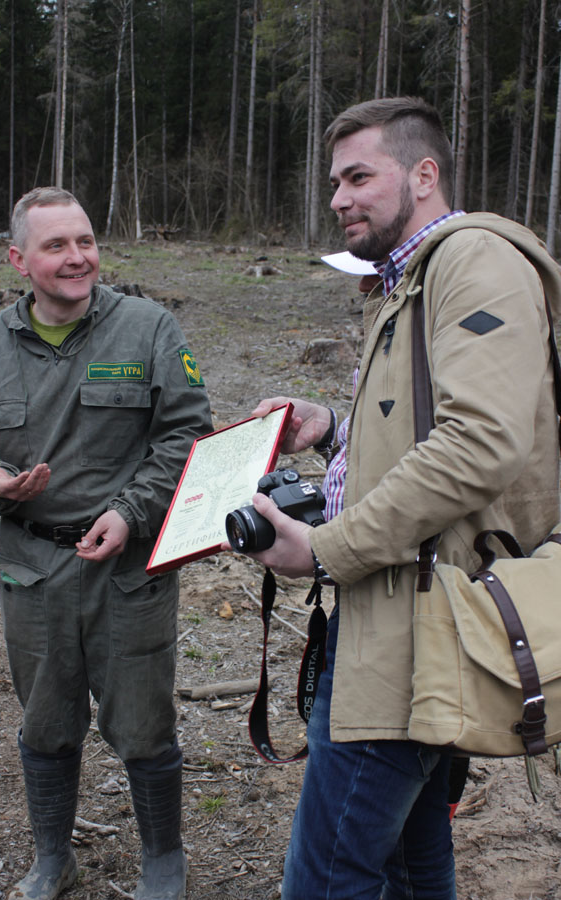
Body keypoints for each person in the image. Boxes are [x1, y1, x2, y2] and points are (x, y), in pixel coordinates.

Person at [224, 98, 561, 898]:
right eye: (334, 182)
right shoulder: (409, 276)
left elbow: (482, 444)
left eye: (358, 177)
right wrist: (334, 429)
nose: (338, 198)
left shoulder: (474, 262)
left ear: (424, 173)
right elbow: (422, 434)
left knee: (328, 876)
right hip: (396, 609)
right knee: (412, 861)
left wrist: (323, 549)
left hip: (417, 629)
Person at [0, 187, 212, 900]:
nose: (78, 258)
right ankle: (52, 860)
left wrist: (132, 513)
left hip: (128, 568)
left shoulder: (149, 330)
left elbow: (186, 433)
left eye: (85, 241)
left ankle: (164, 860)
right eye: (56, 245)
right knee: (45, 719)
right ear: (17, 259)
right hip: (31, 569)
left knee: (142, 722)